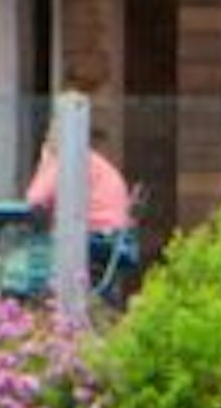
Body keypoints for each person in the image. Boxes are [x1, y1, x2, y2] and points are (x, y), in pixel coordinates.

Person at [15, 122, 139, 298]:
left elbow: (35, 198)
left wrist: (45, 163)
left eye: (48, 138)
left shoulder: (67, 160)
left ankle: (30, 303)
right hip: (114, 240)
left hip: (92, 238)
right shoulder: (93, 161)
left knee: (23, 259)